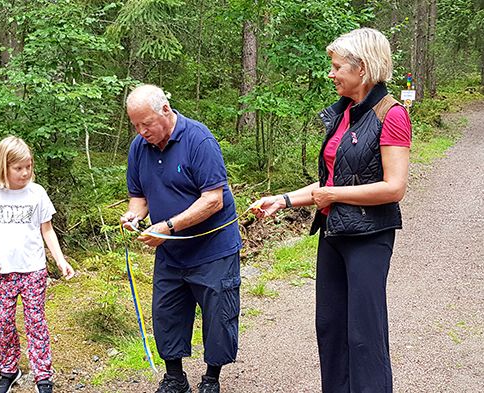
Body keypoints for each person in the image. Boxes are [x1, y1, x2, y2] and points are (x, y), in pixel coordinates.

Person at [252, 28, 411, 392]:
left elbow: (394, 187)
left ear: (363, 68)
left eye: (338, 66)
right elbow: (328, 184)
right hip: (333, 233)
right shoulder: (343, 114)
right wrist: (284, 199)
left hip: (369, 237)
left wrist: (334, 195)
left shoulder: (392, 114)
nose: (331, 73)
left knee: (364, 334)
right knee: (330, 327)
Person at [120, 84, 242, 393]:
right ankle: (175, 378)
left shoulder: (199, 140)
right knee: (167, 314)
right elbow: (139, 198)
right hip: (172, 253)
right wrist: (134, 217)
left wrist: (168, 227)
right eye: (135, 124)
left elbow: (213, 199)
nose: (141, 131)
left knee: (218, 316)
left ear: (165, 110)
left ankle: (211, 379)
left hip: (213, 249)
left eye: (145, 123)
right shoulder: (139, 147)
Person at [0, 136, 75, 393]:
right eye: (18, 168)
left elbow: (48, 230)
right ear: (3, 167)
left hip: (33, 269)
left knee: (36, 322)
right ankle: (9, 369)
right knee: (4, 321)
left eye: (28, 166)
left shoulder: (37, 193)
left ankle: (43, 374)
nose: (25, 172)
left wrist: (60, 260)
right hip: (3, 272)